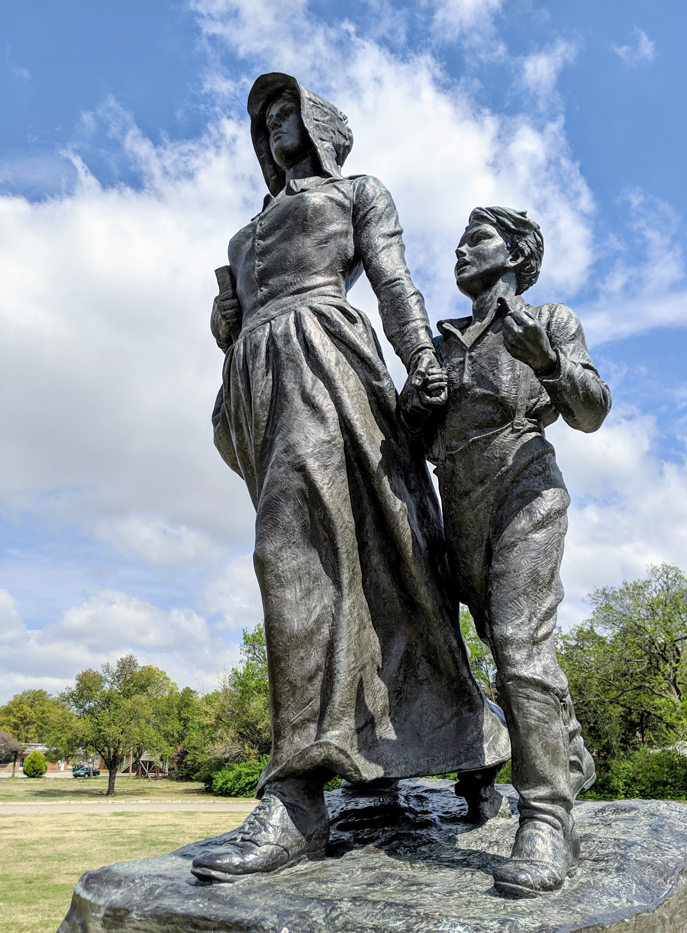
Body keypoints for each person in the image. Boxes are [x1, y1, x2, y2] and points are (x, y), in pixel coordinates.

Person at [191, 75, 510, 883]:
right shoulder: (242, 235)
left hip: (328, 358)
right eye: (263, 115)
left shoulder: (359, 191)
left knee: (302, 553)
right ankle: (462, 738)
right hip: (257, 380)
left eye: (287, 106)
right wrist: (226, 330)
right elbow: (233, 331)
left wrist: (424, 359)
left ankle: (298, 793)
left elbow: (395, 281)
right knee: (363, 566)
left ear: (323, 122)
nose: (272, 122)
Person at [400, 207, 611, 897]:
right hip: (458, 502)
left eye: (478, 238)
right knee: (500, 645)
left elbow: (592, 410)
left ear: (518, 253)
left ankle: (546, 819)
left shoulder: (550, 318)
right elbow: (410, 442)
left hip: (526, 485)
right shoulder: (444, 340)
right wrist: (416, 403)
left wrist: (546, 360)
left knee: (521, 645)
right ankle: (569, 752)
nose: (461, 248)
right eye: (460, 239)